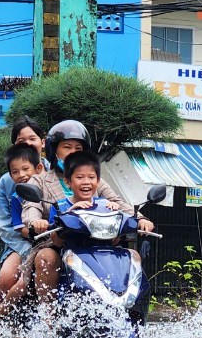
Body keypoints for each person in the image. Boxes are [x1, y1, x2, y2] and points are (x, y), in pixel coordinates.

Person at [20, 120, 154, 303]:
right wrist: (36, 222)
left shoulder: (96, 181)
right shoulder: (40, 181)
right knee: (46, 258)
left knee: (131, 257)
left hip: (97, 241)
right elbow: (31, 208)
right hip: (56, 243)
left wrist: (140, 218)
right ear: (54, 150)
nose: (73, 152)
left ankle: (128, 307)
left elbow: (116, 202)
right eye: (67, 147)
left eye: (78, 148)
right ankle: (49, 316)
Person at [0, 117, 47, 315]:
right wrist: (26, 249)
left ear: (43, 141)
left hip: (54, 239)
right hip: (21, 242)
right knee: (6, 279)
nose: (28, 144)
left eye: (32, 139)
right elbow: (5, 224)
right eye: (21, 141)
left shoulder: (56, 173)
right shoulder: (8, 181)